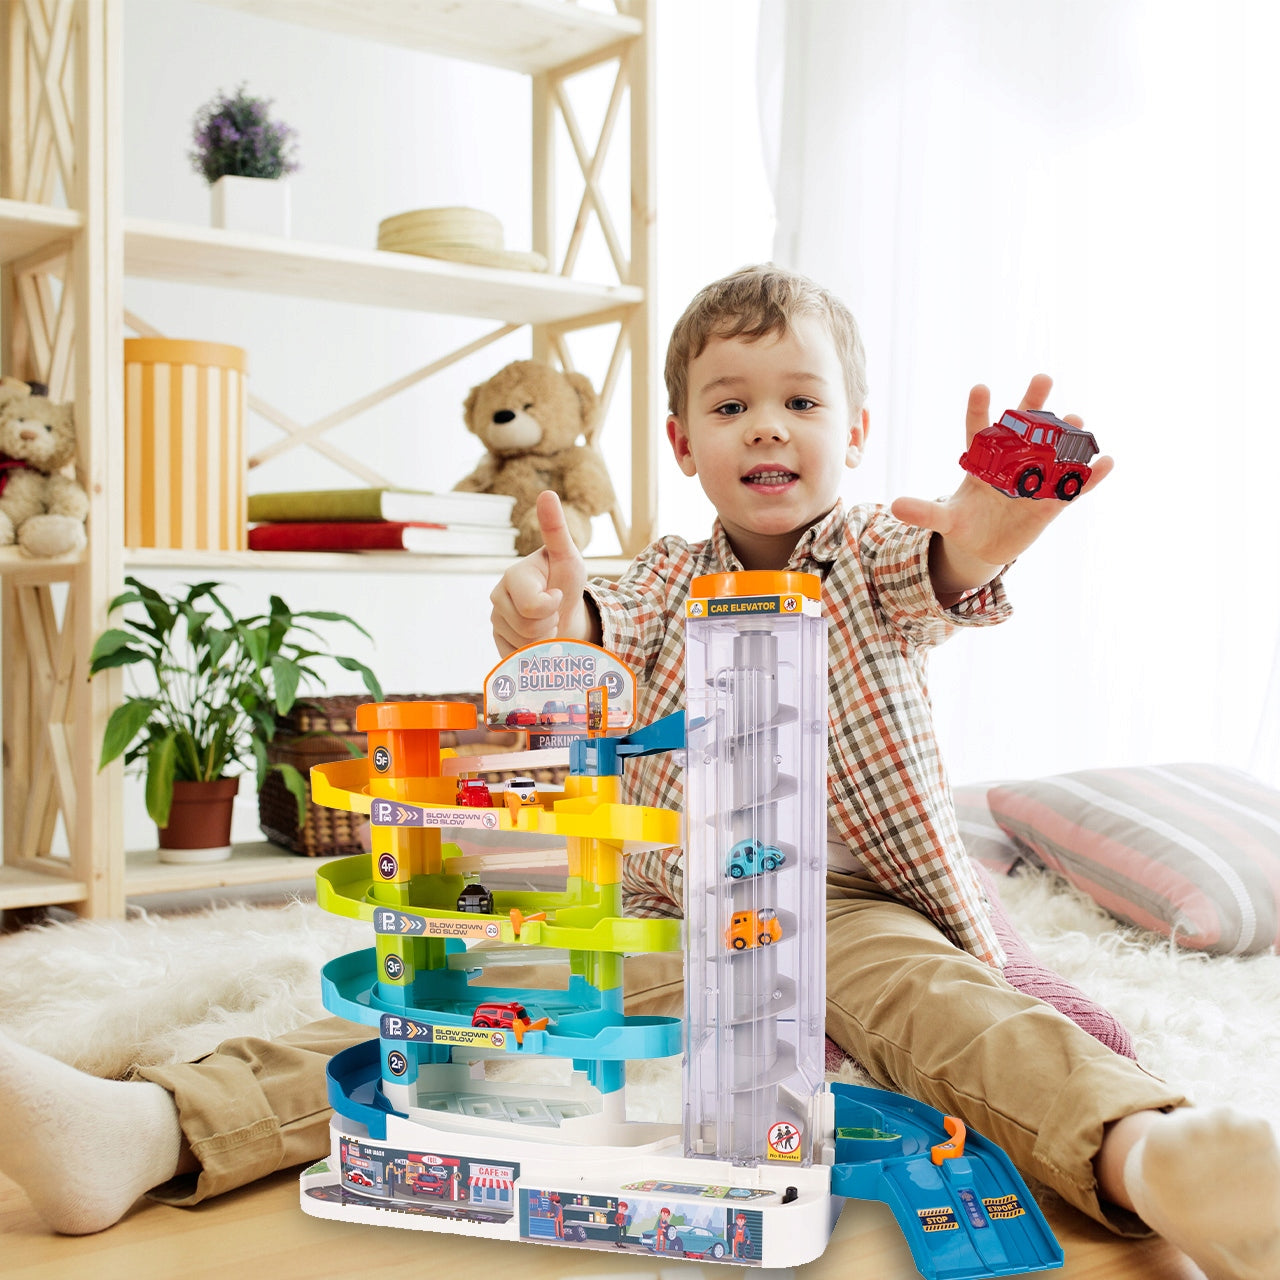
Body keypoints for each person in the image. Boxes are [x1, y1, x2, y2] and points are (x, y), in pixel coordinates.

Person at [0, 265, 1277, 1280]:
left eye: (800, 401)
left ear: (852, 429)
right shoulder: (663, 574)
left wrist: (987, 530)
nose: (765, 424)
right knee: (450, 998)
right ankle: (155, 1129)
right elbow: (588, 625)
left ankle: (1150, 1158)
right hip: (663, 899)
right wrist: (543, 617)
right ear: (680, 441)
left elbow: (946, 569)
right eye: (729, 405)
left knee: (961, 1015)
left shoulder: (876, 550)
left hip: (847, 907)